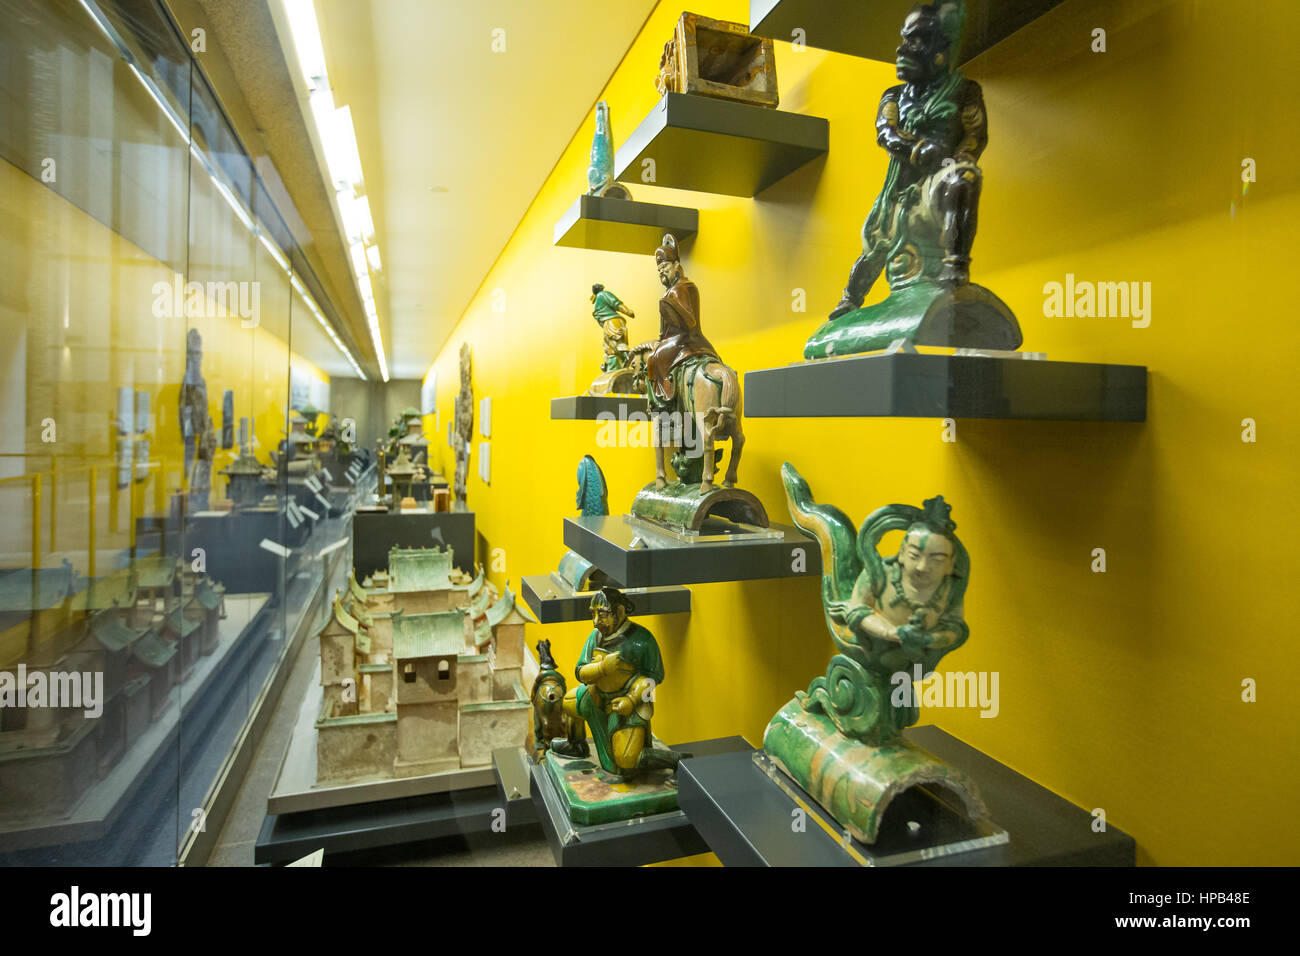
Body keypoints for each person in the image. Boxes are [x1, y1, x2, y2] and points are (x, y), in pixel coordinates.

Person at [551, 587, 680, 777]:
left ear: (619, 611)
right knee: (569, 702)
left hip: (628, 704)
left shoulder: (642, 640)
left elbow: (654, 678)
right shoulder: (595, 638)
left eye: (602, 615)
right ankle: (576, 744)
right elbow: (580, 672)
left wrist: (632, 699)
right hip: (596, 696)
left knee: (626, 759)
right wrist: (602, 668)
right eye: (593, 615)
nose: (596, 622)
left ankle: (672, 759)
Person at [589, 283, 635, 372]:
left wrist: (628, 312)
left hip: (613, 322)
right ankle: (610, 365)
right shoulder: (599, 297)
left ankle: (628, 360)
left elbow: (616, 303)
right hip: (609, 323)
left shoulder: (602, 295)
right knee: (609, 346)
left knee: (617, 342)